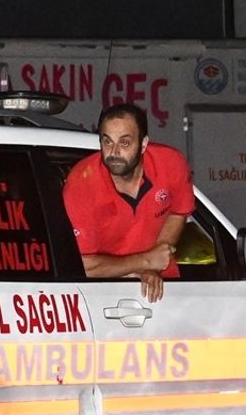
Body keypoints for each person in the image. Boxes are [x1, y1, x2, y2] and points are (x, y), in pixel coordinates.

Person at [63, 103, 195, 302]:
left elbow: (179, 212)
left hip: (162, 291)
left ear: (143, 144)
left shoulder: (171, 164)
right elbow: (83, 265)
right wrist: (144, 262)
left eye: (124, 143)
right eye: (107, 142)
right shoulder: (81, 183)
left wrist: (152, 264)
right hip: (102, 296)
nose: (114, 152)